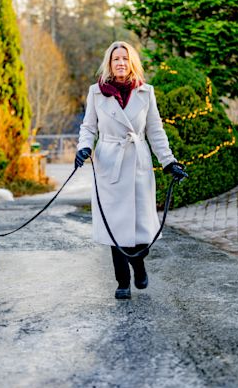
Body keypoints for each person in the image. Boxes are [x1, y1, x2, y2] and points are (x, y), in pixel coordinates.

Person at [75, 41, 187, 300]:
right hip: (109, 163)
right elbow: (89, 127)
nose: (121, 63)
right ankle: (122, 281)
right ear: (109, 64)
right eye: (116, 59)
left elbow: (155, 131)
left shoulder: (146, 92)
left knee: (141, 226)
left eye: (125, 58)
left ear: (132, 62)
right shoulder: (96, 93)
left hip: (138, 163)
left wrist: (169, 162)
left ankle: (138, 263)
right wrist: (84, 148)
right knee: (116, 227)